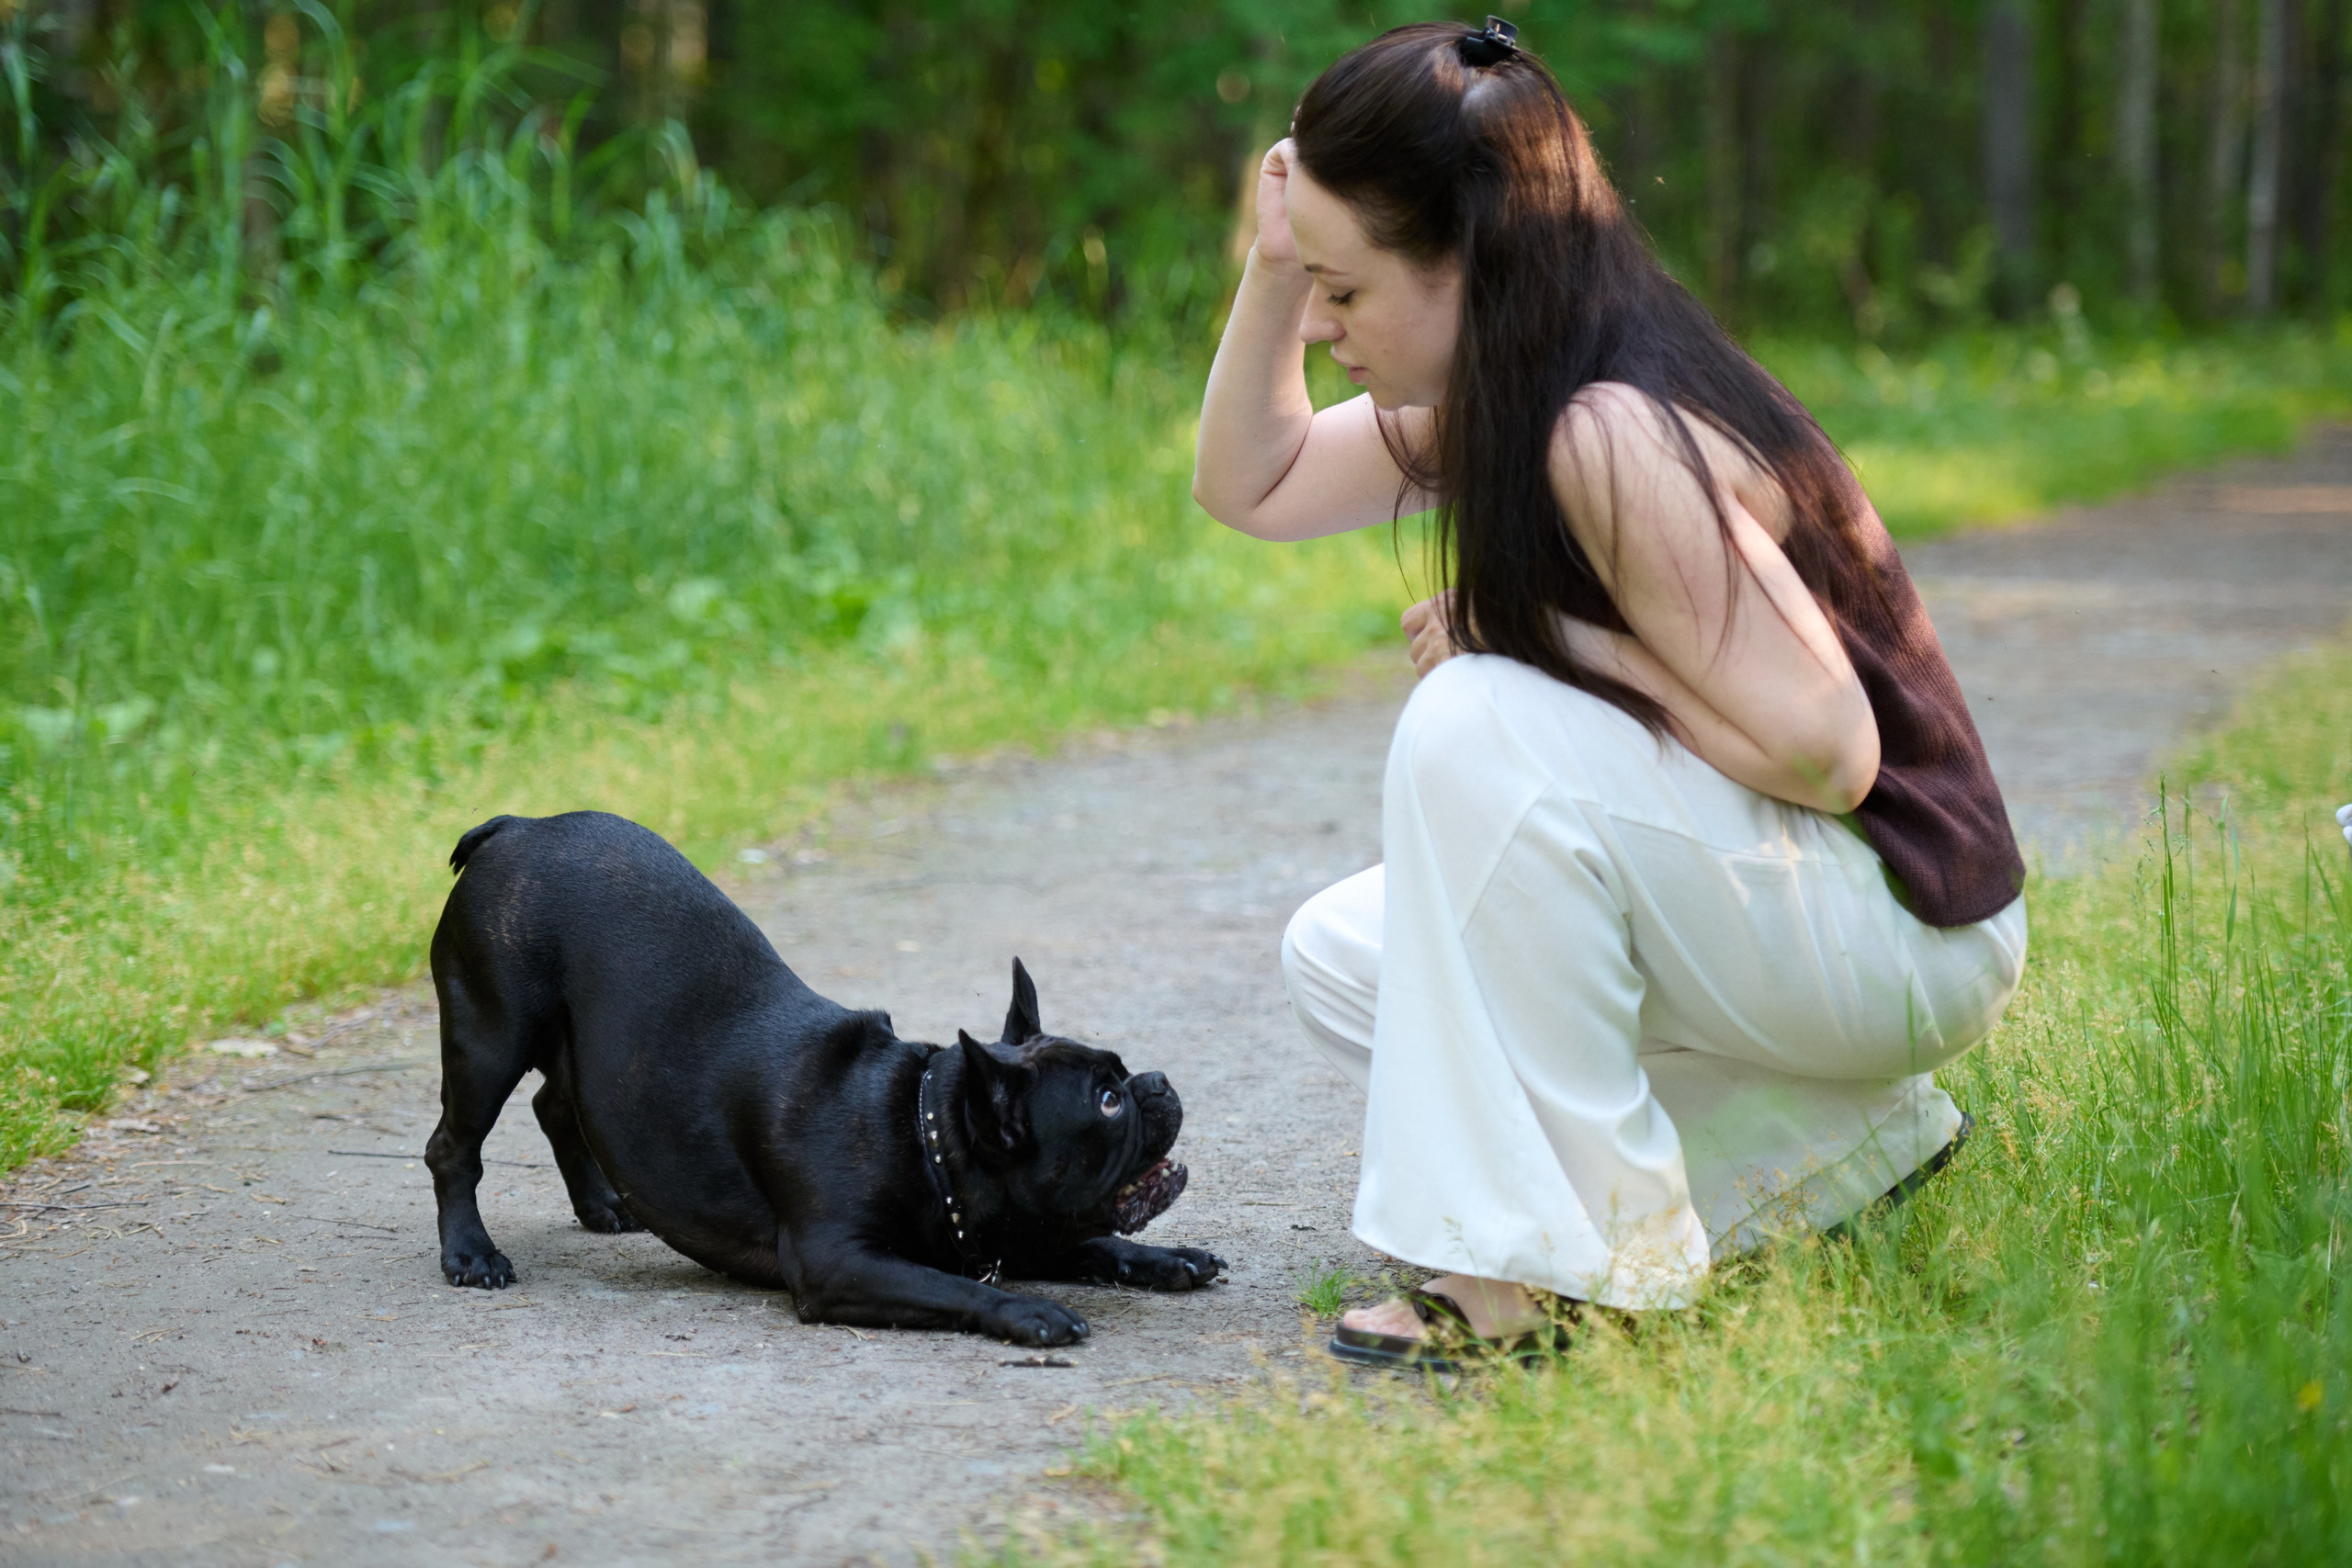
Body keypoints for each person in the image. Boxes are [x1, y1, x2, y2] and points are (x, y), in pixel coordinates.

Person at [1191, 18, 2029, 1370]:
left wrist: (1524, 642)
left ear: (1470, 260)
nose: (1329, 328)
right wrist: (1280, 261)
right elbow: (1253, 484)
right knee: (1353, 957)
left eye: (1348, 293)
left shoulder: (1608, 426)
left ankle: (1551, 1279)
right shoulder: (1511, 388)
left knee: (1473, 723)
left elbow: (1831, 750)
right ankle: (1831, 1151)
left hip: (1905, 929)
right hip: (1822, 917)